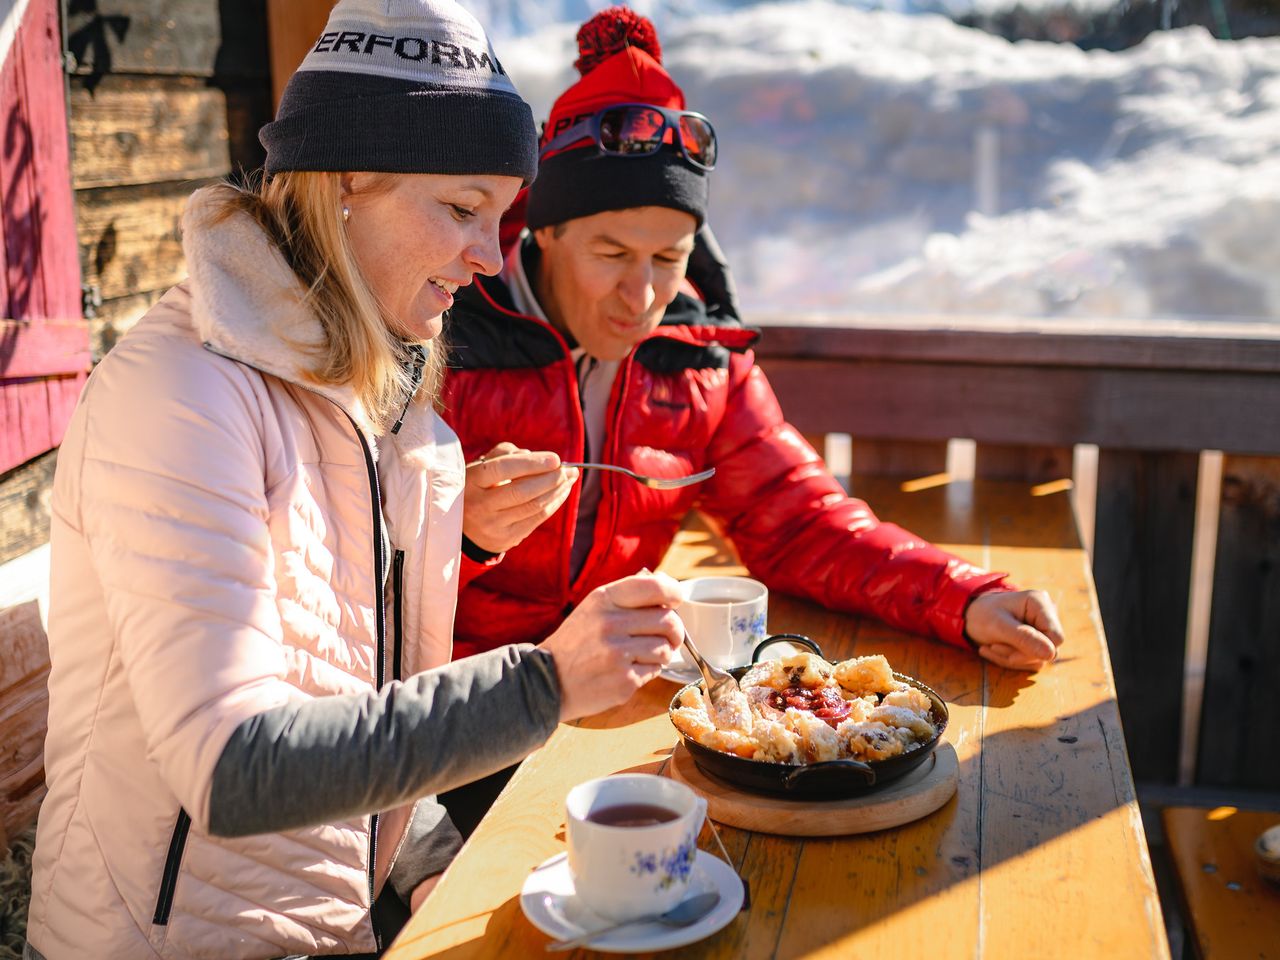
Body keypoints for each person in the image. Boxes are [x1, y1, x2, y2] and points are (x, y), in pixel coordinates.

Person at [24, 3, 686, 959]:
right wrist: (546, 683)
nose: (489, 257)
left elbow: (337, 659)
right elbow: (230, 766)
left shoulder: (379, 394)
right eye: (462, 208)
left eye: (502, 217)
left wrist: (452, 542)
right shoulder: (179, 397)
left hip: (328, 921)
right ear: (343, 179)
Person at [442, 8, 1065, 678]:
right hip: (458, 706)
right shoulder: (444, 333)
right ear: (547, 231)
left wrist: (963, 597)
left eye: (668, 257)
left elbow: (799, 522)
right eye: (613, 252)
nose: (643, 294)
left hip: (609, 688)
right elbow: (348, 573)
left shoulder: (702, 358)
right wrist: (463, 533)